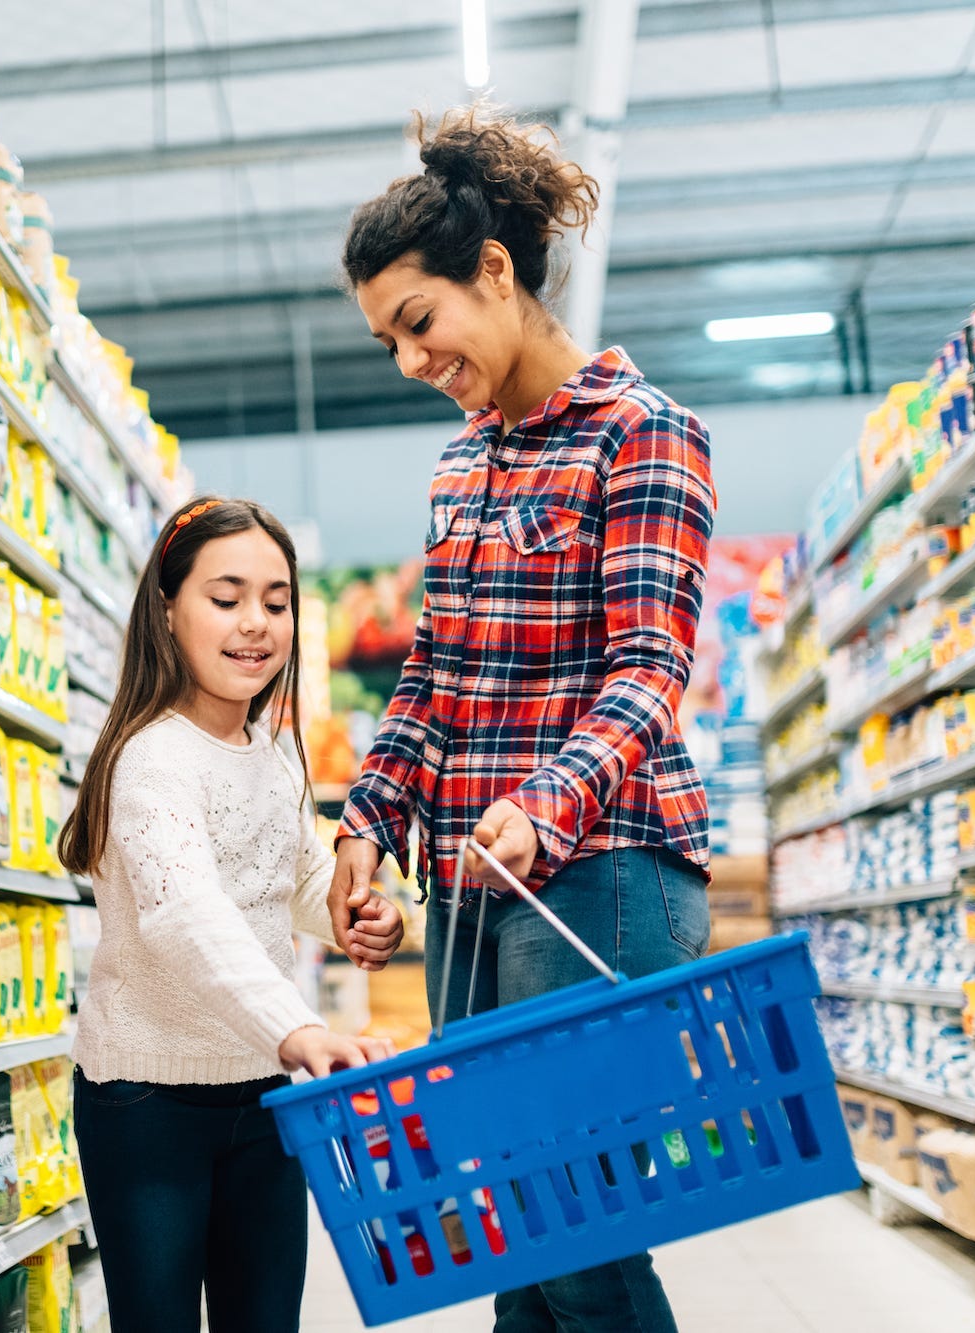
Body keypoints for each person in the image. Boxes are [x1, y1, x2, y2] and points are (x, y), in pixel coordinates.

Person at [332, 104, 717, 1333]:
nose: (409, 361)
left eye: (417, 323)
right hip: (474, 889)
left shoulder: (641, 433)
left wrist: (545, 801)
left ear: (490, 272)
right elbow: (434, 674)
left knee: (579, 1233)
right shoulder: (460, 466)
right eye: (388, 339)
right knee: (508, 1234)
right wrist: (364, 824)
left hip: (600, 870)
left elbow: (649, 667)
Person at [58, 496, 406, 1333]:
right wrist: (299, 1028)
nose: (256, 623)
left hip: (260, 1096)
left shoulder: (272, 746)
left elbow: (287, 875)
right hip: (146, 1103)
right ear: (169, 611)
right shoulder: (151, 760)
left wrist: (353, 913)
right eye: (226, 597)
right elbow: (187, 915)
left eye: (276, 602)